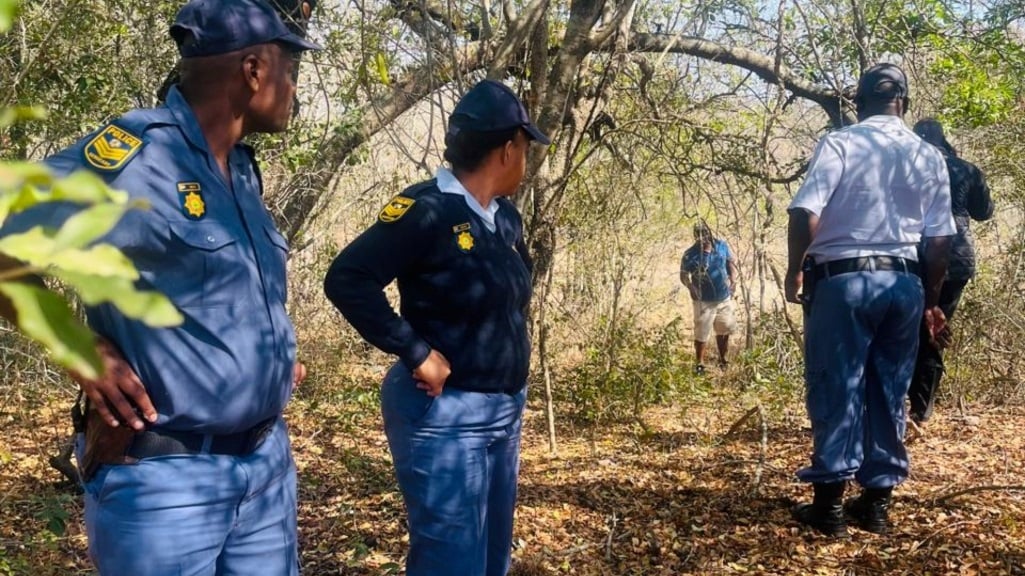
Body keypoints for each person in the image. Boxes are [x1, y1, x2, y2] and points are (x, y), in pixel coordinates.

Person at [0, 0, 320, 573]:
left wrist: (265, 357)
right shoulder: (135, 154)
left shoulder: (242, 169)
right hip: (166, 481)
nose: (294, 87)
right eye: (289, 69)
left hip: (265, 469)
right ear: (253, 70)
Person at [323, 79, 549, 576]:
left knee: (492, 558)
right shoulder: (424, 210)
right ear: (509, 148)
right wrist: (415, 350)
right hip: (444, 417)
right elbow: (348, 279)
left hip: (503, 412)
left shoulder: (504, 218)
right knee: (451, 561)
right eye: (526, 148)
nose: (527, 161)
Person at [784, 63, 955, 537]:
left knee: (837, 384)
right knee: (890, 389)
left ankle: (830, 507)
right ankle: (876, 502)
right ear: (903, 102)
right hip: (903, 283)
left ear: (859, 102)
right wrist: (931, 300)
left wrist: (795, 266)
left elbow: (805, 211)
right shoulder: (927, 155)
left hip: (844, 282)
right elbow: (939, 241)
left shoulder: (841, 142)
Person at [907, 118, 994, 423]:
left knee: (907, 329)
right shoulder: (966, 169)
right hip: (957, 258)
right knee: (932, 331)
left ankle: (900, 406)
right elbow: (984, 212)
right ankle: (921, 411)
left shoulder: (907, 168)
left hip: (913, 255)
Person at [679, 221, 738, 374]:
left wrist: (733, 281)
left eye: (705, 233)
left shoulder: (721, 246)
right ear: (694, 236)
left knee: (724, 330)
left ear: (709, 232)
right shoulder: (690, 254)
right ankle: (700, 363)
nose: (702, 237)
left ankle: (723, 360)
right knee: (702, 333)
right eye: (698, 234)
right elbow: (684, 275)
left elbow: (730, 264)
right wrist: (691, 287)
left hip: (723, 297)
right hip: (703, 300)